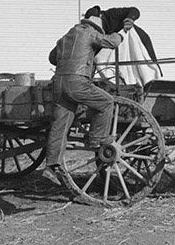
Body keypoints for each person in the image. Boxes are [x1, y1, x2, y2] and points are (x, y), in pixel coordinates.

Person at [43, 11, 134, 178]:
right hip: (77, 83)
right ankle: (97, 140)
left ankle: (50, 166)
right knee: (107, 102)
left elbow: (52, 58)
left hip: (58, 84)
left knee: (60, 126)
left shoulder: (64, 38)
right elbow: (112, 42)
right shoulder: (90, 33)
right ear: (94, 26)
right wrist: (123, 32)